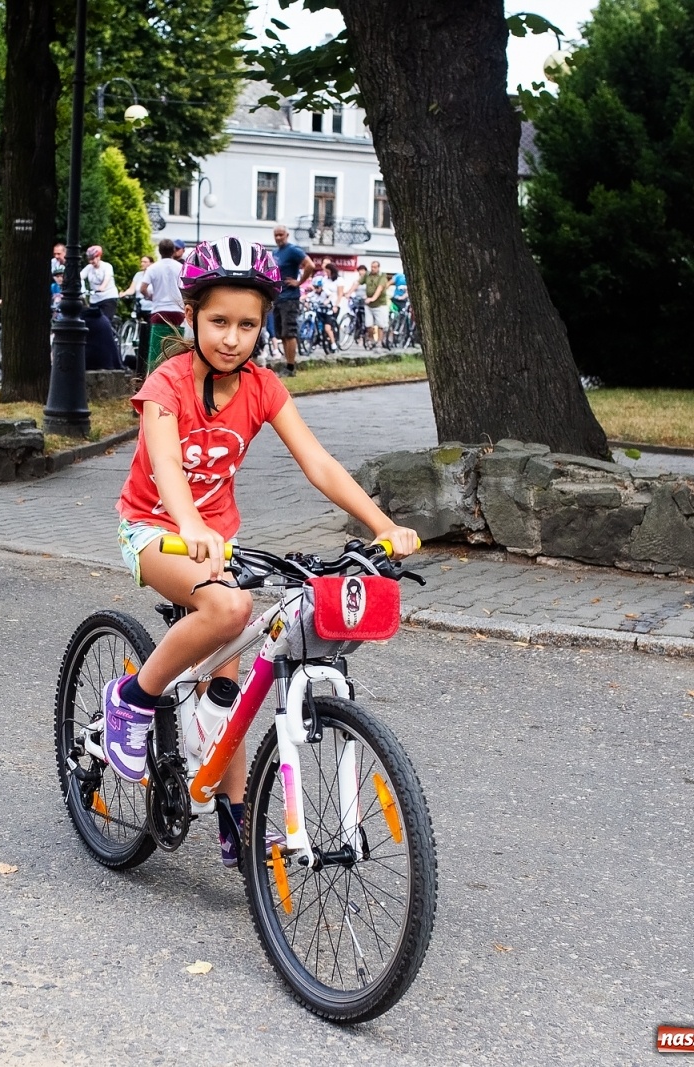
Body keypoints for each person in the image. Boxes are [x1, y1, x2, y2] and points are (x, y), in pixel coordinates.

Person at [104, 236, 419, 867]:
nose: (232, 338)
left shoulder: (263, 386)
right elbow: (165, 464)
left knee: (230, 687)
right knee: (229, 612)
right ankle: (133, 698)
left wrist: (383, 525)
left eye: (248, 325)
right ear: (191, 316)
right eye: (219, 322)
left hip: (217, 539)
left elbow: (319, 464)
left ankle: (235, 817)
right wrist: (189, 523)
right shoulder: (166, 383)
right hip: (155, 529)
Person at [270, 226, 313, 375]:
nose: (278, 238)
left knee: (289, 333)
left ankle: (291, 367)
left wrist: (299, 282)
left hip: (290, 298)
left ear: (287, 235)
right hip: (278, 298)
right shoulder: (276, 253)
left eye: (281, 235)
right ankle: (287, 364)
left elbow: (310, 265)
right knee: (281, 333)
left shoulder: (293, 250)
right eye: (276, 235)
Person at [140, 238, 185, 371]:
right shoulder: (180, 267)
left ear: (159, 252)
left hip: (159, 310)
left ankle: (154, 372)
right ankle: (174, 372)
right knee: (175, 345)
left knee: (156, 346)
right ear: (173, 251)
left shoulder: (153, 268)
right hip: (177, 311)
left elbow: (143, 288)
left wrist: (151, 296)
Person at [121, 254, 154, 373]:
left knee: (148, 329)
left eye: (145, 261)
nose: (142, 264)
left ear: (151, 263)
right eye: (141, 261)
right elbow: (132, 288)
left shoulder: (152, 273)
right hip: (139, 305)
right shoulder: (138, 275)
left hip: (150, 306)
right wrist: (124, 293)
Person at [364, 259, 392, 345]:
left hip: (380, 304)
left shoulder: (382, 276)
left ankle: (379, 342)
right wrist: (348, 293)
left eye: (375, 267)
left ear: (378, 268)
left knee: (380, 325)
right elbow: (357, 282)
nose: (373, 269)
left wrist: (373, 298)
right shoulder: (367, 275)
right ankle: (372, 340)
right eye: (372, 267)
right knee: (368, 324)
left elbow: (380, 288)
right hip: (369, 305)